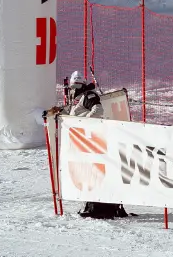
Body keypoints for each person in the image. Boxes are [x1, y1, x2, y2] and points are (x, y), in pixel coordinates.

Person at [44, 70, 130, 220]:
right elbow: (74, 112)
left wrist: (83, 124)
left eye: (71, 87)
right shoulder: (78, 98)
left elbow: (97, 111)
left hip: (91, 140)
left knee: (94, 172)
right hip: (82, 141)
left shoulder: (89, 95)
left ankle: (100, 206)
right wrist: (58, 111)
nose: (70, 90)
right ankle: (92, 204)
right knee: (87, 172)